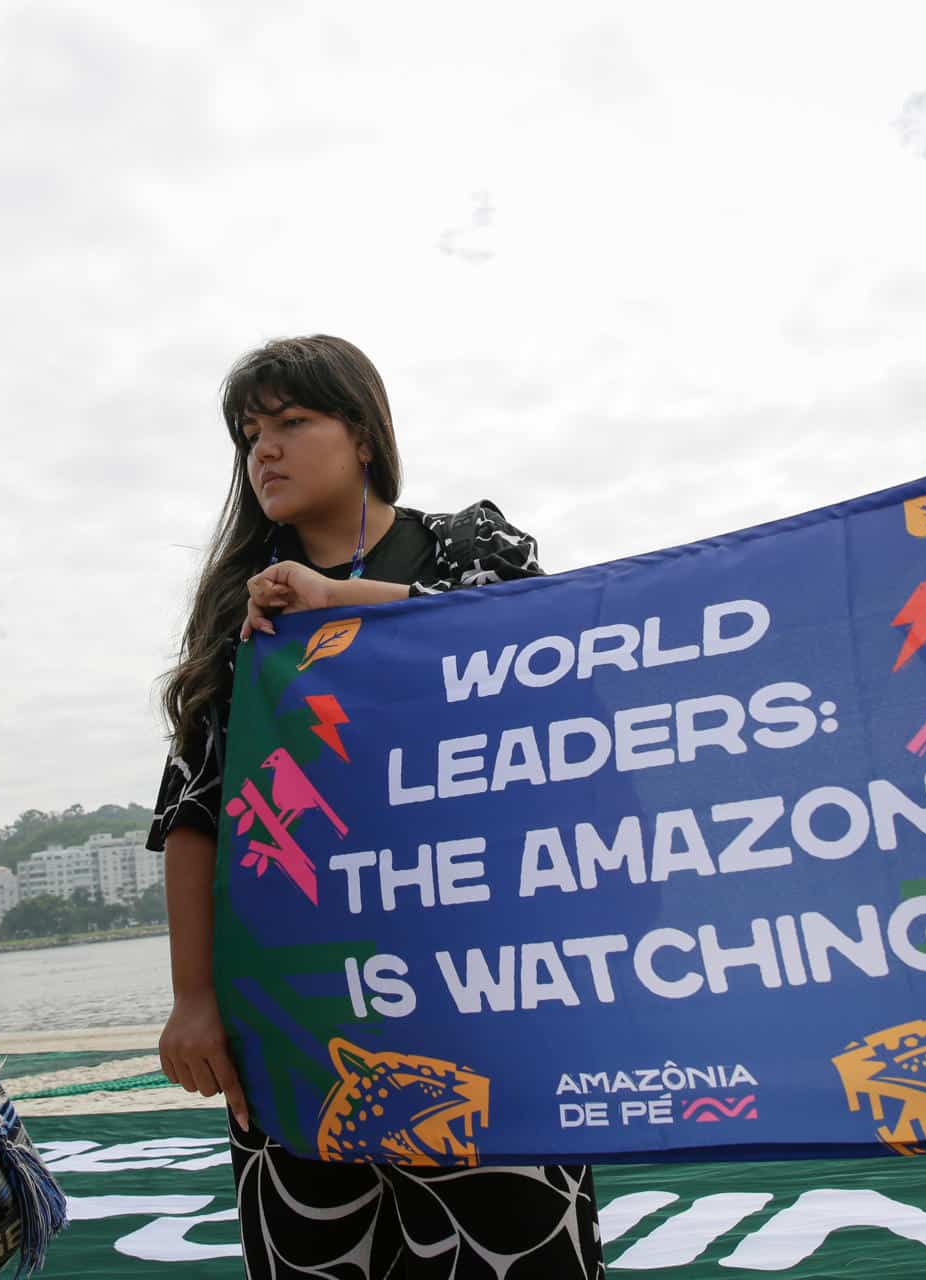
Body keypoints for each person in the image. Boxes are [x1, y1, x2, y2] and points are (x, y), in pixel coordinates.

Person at [149, 335, 603, 1277]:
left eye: (289, 422)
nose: (261, 450)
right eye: (247, 434)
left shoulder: (469, 544)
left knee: (519, 1249)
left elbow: (535, 659)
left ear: (361, 434)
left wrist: (339, 599)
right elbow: (195, 811)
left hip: (483, 987)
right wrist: (195, 997)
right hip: (296, 1005)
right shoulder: (241, 610)